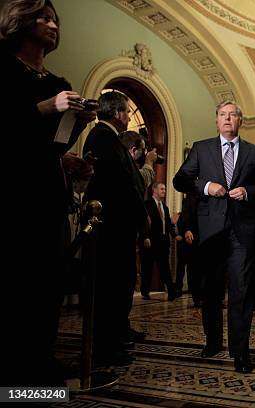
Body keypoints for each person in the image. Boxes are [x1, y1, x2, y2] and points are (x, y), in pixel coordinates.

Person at [0, 0, 96, 385]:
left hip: (46, 195)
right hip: (10, 197)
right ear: (19, 21)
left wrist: (71, 135)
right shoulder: (4, 69)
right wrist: (45, 107)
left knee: (46, 287)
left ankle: (39, 363)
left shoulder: (59, 83)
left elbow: (48, 145)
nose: (51, 24)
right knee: (14, 286)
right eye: (42, 16)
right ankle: (10, 375)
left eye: (54, 18)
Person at [173, 101, 255, 373]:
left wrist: (248, 192)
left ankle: (241, 352)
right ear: (217, 121)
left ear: (240, 120)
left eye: (233, 115)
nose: (228, 119)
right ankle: (213, 341)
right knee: (211, 291)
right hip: (210, 232)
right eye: (223, 115)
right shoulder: (201, 149)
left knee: (241, 291)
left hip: (242, 232)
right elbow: (180, 181)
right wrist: (205, 186)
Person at [83, 91, 148, 367]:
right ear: (119, 114)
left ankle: (112, 343)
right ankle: (105, 349)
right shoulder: (103, 136)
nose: (126, 118)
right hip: (111, 229)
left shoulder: (108, 137)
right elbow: (120, 184)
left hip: (119, 228)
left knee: (118, 288)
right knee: (109, 292)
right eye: (125, 113)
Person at [141, 182, 177, 301]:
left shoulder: (164, 207)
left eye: (165, 189)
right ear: (154, 190)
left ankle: (171, 292)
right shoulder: (147, 205)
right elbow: (144, 223)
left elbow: (167, 225)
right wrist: (145, 237)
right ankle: (145, 291)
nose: (164, 191)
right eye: (162, 189)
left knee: (165, 268)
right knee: (147, 268)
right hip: (150, 242)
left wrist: (175, 235)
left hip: (163, 243)